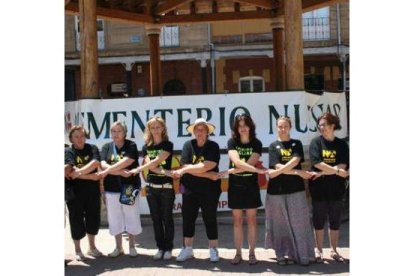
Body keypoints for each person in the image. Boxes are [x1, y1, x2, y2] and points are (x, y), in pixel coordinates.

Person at [265, 116, 315, 266]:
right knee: (280, 226)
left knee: (299, 224)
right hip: (276, 192)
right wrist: (297, 172)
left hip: (296, 190)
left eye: (285, 126)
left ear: (290, 127)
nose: (283, 129)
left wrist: (280, 171)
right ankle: (281, 255)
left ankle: (299, 255)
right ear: (276, 128)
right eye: (280, 126)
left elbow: (295, 160)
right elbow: (276, 166)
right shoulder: (273, 146)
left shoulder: (296, 143)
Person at [172, 118, 221, 263]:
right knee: (188, 218)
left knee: (210, 218)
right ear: (193, 132)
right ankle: (187, 249)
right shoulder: (188, 145)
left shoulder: (213, 146)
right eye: (197, 130)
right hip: (190, 189)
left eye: (202, 130)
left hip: (209, 190)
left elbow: (208, 165)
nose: (199, 132)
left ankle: (213, 249)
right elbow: (200, 169)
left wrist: (186, 169)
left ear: (207, 132)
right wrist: (207, 174)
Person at [220, 113, 266, 265]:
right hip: (235, 187)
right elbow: (237, 162)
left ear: (250, 126)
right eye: (240, 126)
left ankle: (252, 253)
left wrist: (231, 171)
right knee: (237, 221)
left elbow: (251, 163)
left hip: (251, 187)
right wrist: (255, 170)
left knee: (252, 220)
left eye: (245, 125)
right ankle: (238, 253)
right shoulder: (232, 142)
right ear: (236, 128)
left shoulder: (256, 143)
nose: (243, 128)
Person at [129, 116, 175, 260]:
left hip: (166, 187)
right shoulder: (146, 147)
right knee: (156, 219)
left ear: (163, 128)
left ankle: (168, 249)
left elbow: (156, 161)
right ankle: (160, 248)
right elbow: (152, 166)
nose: (155, 130)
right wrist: (165, 171)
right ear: (149, 129)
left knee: (167, 219)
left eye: (158, 127)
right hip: (151, 188)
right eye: (152, 127)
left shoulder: (168, 145)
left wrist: (139, 169)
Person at [308, 112, 349, 263]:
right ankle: (318, 251)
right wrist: (337, 171)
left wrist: (324, 172)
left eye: (324, 124)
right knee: (318, 220)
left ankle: (334, 250)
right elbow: (317, 163)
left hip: (336, 190)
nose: (322, 127)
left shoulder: (341, 144)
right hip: (318, 189)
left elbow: (344, 164)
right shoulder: (315, 143)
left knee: (335, 221)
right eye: (320, 125)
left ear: (333, 126)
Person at [99, 121, 142, 258]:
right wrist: (118, 172)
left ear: (125, 133)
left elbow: (128, 161)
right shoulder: (106, 147)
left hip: (129, 187)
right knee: (114, 218)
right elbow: (103, 164)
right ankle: (118, 247)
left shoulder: (131, 145)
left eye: (119, 131)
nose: (116, 134)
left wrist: (109, 170)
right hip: (111, 189)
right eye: (113, 131)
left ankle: (132, 246)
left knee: (131, 215)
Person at [65, 126, 102, 261]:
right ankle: (78, 249)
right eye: (76, 136)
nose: (80, 139)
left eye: (82, 136)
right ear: (71, 138)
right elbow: (69, 172)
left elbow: (95, 163)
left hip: (92, 192)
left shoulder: (92, 148)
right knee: (76, 220)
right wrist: (90, 176)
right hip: (74, 194)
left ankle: (92, 247)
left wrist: (79, 172)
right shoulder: (68, 151)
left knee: (93, 219)